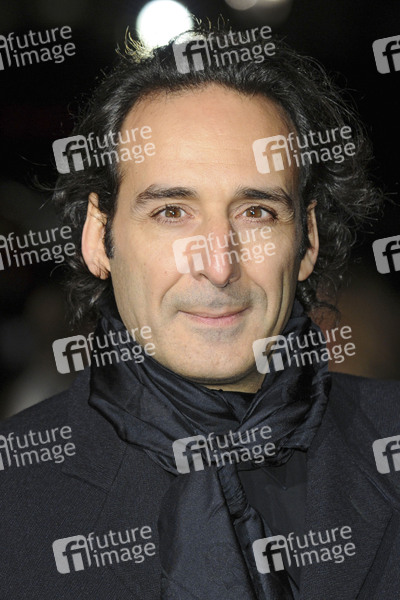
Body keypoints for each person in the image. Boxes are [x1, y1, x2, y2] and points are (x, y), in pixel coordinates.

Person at [1, 26, 399, 600]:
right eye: (171, 212)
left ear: (307, 240)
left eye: (257, 212)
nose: (218, 265)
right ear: (98, 237)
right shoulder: (13, 494)